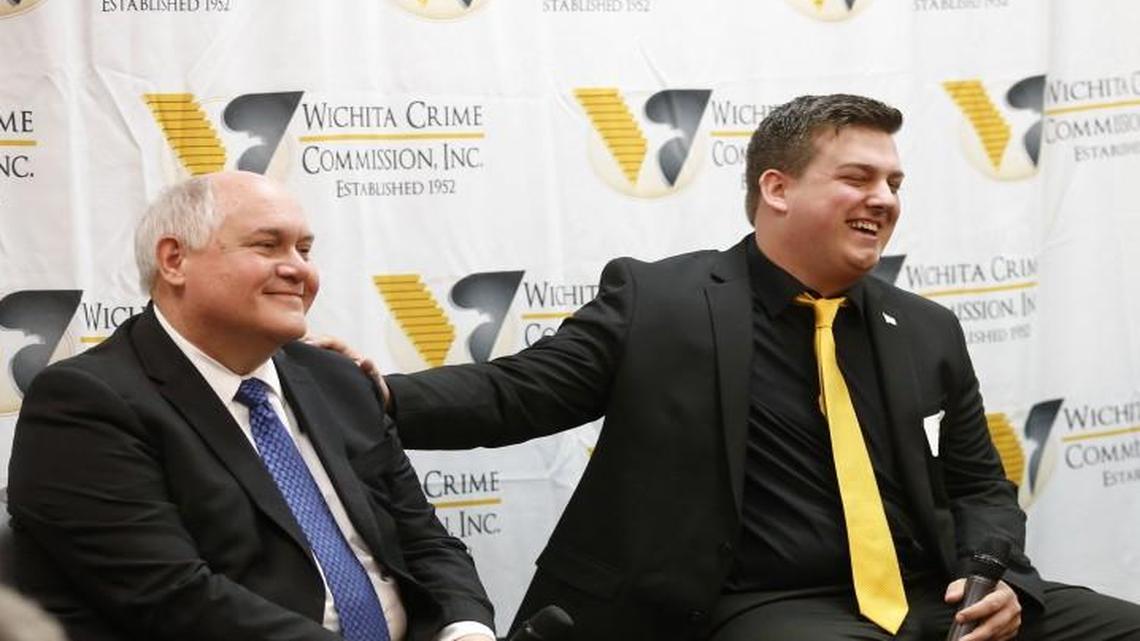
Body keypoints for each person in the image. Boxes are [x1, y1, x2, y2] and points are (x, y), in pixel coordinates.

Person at [358, 95, 1140, 640]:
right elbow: (515, 393)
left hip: (931, 595)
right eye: (858, 177)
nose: (885, 198)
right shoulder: (661, 300)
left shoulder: (927, 328)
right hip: (765, 603)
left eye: (894, 182)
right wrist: (367, 394)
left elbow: (981, 487)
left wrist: (996, 577)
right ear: (777, 188)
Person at [6, 172, 495, 641]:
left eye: (304, 250)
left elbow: (425, 541)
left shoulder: (339, 380)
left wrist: (465, 629)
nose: (298, 269)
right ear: (174, 260)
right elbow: (172, 598)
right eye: (267, 245)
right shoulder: (86, 401)